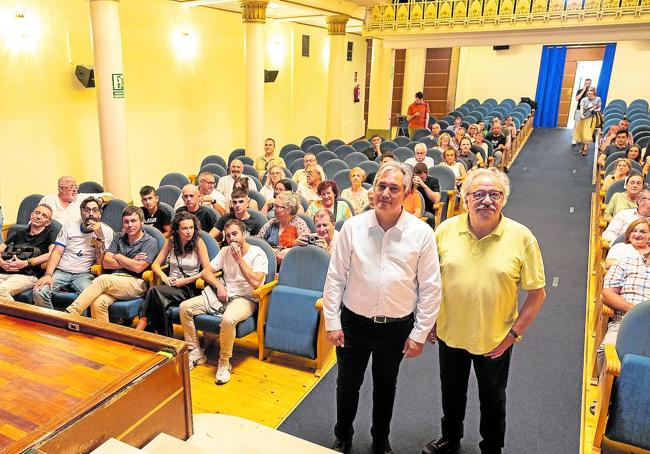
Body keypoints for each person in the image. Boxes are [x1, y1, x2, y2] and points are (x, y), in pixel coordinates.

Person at [424, 168, 546, 454]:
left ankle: (491, 447)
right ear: (466, 198)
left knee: (492, 399)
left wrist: (513, 335)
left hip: (495, 338)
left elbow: (537, 293)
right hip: (450, 332)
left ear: (504, 199)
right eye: (478, 194)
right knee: (451, 393)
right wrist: (429, 320)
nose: (486, 200)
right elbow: (431, 281)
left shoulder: (522, 237)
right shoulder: (444, 230)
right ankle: (450, 438)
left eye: (494, 194)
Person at [323, 161, 442, 454]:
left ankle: (380, 439)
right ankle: (343, 435)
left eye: (394, 188)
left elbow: (430, 287)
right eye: (381, 186)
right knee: (347, 384)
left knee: (385, 386)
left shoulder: (421, 233)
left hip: (396, 326)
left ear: (407, 192)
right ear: (373, 189)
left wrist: (419, 333)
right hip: (354, 322)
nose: (385, 193)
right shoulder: (352, 228)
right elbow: (335, 277)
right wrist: (332, 321)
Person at [179, 219, 268, 383]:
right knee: (185, 307)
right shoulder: (225, 251)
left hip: (246, 298)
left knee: (228, 319)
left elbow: (256, 283)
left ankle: (224, 361)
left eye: (235, 234)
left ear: (244, 234)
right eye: (228, 236)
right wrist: (219, 285)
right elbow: (206, 272)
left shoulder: (258, 253)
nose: (231, 239)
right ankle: (196, 352)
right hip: (225, 294)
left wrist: (240, 259)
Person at [66, 206, 158, 323]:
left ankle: (72, 313)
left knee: (103, 279)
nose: (129, 225)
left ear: (142, 222)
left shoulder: (150, 241)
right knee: (98, 303)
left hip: (136, 283)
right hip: (114, 281)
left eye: (133, 221)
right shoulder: (119, 237)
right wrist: (130, 260)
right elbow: (106, 263)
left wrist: (118, 256)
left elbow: (138, 267)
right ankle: (103, 336)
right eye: (126, 222)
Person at [135, 211, 210, 336]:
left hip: (189, 287)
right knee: (155, 301)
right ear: (177, 230)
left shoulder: (198, 242)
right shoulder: (171, 241)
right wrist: (164, 276)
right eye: (184, 228)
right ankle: (166, 338)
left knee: (153, 292)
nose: (189, 231)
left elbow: (207, 271)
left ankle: (140, 330)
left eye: (191, 227)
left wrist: (184, 281)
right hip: (171, 285)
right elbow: (155, 264)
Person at [33, 197, 114, 309]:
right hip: (62, 271)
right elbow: (56, 252)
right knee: (39, 291)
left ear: (100, 213)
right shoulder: (70, 225)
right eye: (87, 210)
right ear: (81, 212)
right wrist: (48, 275)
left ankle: (80, 325)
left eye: (95, 210)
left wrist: (100, 237)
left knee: (90, 297)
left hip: (84, 274)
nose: (91, 214)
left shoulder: (106, 231)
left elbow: (101, 262)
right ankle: (53, 323)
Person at [0, 204, 56, 301]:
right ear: (31, 215)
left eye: (44, 215)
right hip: (4, 272)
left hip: (28, 276)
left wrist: (26, 263)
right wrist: (1, 263)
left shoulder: (50, 234)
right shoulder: (19, 233)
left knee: (1, 291)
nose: (39, 216)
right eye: (37, 213)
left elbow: (52, 254)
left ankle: (15, 315)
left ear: (47, 222)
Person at [257, 191, 310, 264]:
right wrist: (269, 249)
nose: (274, 209)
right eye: (274, 206)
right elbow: (258, 241)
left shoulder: (299, 224)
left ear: (288, 210)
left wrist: (290, 250)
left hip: (291, 264)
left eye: (277, 206)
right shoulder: (272, 222)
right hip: (269, 263)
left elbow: (307, 249)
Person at [40, 176, 111, 224]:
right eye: (71, 187)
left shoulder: (82, 198)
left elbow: (109, 196)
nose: (74, 190)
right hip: (52, 236)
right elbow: (36, 219)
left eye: (76, 187)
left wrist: (98, 201)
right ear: (61, 189)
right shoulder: (48, 200)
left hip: (74, 238)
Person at [413, 163, 441, 228]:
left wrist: (424, 186)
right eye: (419, 177)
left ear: (427, 173)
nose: (421, 179)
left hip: (426, 210)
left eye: (422, 177)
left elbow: (436, 199)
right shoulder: (411, 181)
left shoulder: (433, 181)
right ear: (414, 174)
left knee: (430, 218)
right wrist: (413, 186)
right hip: (413, 209)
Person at [576, 86, 602, 156]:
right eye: (588, 91)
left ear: (594, 92)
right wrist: (581, 115)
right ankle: (583, 146)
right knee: (582, 133)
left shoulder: (598, 99)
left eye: (591, 91)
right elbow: (581, 108)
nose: (589, 92)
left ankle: (585, 149)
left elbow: (599, 108)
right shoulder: (584, 99)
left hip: (592, 118)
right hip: (584, 118)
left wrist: (595, 110)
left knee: (587, 133)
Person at [572, 78, 591, 146]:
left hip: (587, 111)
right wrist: (583, 90)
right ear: (584, 83)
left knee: (583, 126)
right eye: (586, 83)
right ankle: (574, 139)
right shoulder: (580, 90)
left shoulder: (591, 92)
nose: (587, 85)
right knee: (577, 125)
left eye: (589, 83)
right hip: (579, 110)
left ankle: (580, 138)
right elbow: (577, 99)